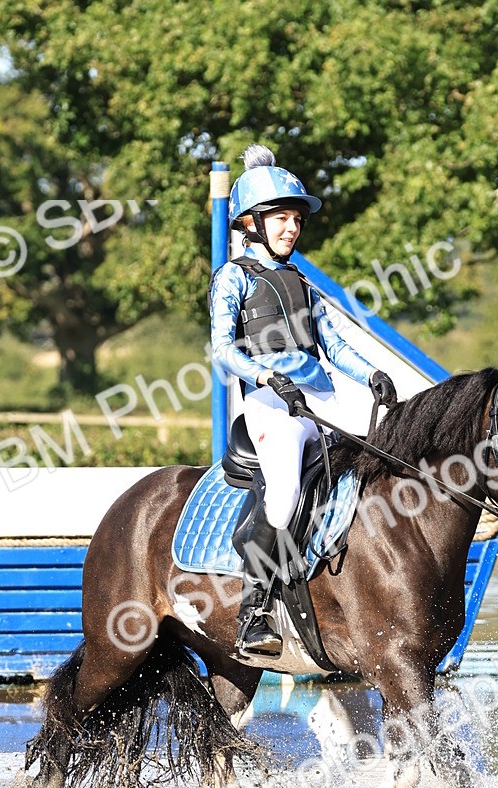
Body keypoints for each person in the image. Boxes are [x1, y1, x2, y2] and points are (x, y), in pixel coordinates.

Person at [210, 144, 398, 658]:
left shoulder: (304, 283)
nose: (292, 227)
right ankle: (255, 611)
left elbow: (335, 345)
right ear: (251, 222)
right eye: (281, 218)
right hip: (272, 405)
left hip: (322, 395)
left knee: (392, 451)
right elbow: (223, 350)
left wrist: (374, 373)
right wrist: (268, 376)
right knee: (285, 492)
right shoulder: (234, 278)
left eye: (296, 219)